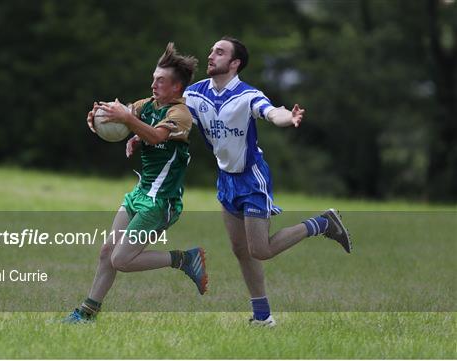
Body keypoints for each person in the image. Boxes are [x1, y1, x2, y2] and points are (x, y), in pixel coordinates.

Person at [182, 36, 351, 326]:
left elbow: (272, 112)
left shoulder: (247, 95)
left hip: (251, 178)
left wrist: (289, 117)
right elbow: (169, 116)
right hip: (225, 178)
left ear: (234, 63)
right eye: (211, 51)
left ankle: (323, 223)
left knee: (259, 250)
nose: (211, 56)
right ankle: (262, 317)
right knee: (240, 250)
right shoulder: (194, 94)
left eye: (219, 52)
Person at [63, 43, 207, 323]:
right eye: (153, 78)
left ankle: (183, 259)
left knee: (122, 260)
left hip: (161, 203)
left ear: (177, 87)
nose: (153, 84)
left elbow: (156, 136)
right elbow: (122, 112)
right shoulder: (147, 106)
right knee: (107, 252)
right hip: (141, 194)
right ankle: (86, 313)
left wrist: (131, 123)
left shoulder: (181, 115)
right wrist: (100, 117)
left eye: (160, 81)